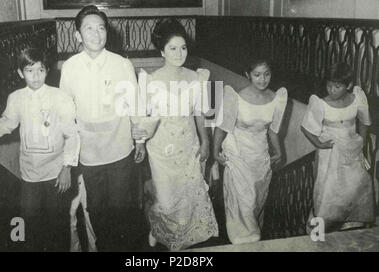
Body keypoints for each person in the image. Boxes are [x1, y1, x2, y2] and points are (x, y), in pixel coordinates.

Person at [0, 48, 80, 251]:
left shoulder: (60, 97)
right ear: (20, 72)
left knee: (57, 227)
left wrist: (67, 167)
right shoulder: (16, 98)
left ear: (47, 71)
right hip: (30, 176)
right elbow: (3, 126)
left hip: (56, 174)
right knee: (29, 225)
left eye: (40, 70)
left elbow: (72, 135)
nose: (35, 76)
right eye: (29, 70)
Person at [59, 5, 146, 251]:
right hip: (88, 154)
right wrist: (68, 155)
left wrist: (139, 140)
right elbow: (66, 113)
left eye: (101, 28)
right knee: (96, 210)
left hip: (120, 150)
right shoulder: (70, 67)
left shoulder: (121, 64)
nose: (96, 34)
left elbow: (135, 104)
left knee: (122, 210)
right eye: (89, 28)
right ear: (77, 35)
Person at [135, 18, 219, 251]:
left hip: (188, 143)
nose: (179, 53)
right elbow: (144, 118)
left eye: (183, 47)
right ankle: (158, 228)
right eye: (172, 48)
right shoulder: (150, 81)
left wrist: (205, 142)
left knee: (188, 195)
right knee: (166, 197)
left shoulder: (196, 78)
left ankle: (179, 240)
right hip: (161, 148)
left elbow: (200, 113)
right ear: (162, 51)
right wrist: (140, 143)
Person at [212, 57, 288, 245]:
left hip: (260, 156)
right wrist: (215, 152)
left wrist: (279, 152)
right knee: (242, 204)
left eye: (267, 74)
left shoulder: (277, 98)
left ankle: (253, 240)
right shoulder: (235, 97)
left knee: (256, 203)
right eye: (257, 75)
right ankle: (243, 243)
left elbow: (273, 131)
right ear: (248, 75)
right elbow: (222, 127)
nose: (263, 79)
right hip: (237, 152)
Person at [301, 62, 374, 232]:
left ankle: (348, 230)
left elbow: (364, 122)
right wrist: (319, 144)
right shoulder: (320, 103)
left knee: (353, 190)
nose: (331, 89)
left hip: (352, 152)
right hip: (330, 154)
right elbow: (305, 127)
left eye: (337, 86)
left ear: (348, 85)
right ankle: (317, 236)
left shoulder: (357, 97)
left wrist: (361, 144)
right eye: (329, 85)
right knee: (327, 194)